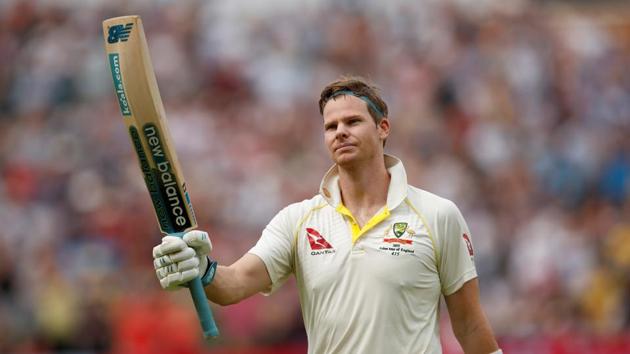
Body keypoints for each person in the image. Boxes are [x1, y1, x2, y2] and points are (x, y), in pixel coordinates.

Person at [152, 76, 501, 354]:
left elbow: (469, 325)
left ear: (383, 129)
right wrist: (203, 269)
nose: (340, 132)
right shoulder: (299, 220)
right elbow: (235, 284)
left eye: (353, 121)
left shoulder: (437, 215)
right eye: (330, 127)